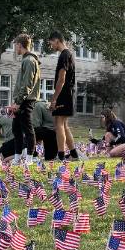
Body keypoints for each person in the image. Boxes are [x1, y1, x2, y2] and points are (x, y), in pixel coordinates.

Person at [11, 34, 41, 165]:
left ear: (19, 45)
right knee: (16, 129)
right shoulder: (26, 59)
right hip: (20, 99)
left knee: (28, 130)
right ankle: (17, 158)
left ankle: (29, 159)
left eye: (15, 45)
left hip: (26, 100)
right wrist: (15, 102)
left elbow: (27, 84)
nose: (14, 48)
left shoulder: (29, 60)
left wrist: (18, 102)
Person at [49, 32, 78, 161]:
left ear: (57, 41)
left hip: (64, 93)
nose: (51, 46)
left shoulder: (64, 55)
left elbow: (61, 79)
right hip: (67, 93)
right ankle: (74, 154)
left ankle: (60, 156)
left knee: (59, 123)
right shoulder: (68, 54)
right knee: (64, 124)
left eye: (51, 43)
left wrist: (54, 98)